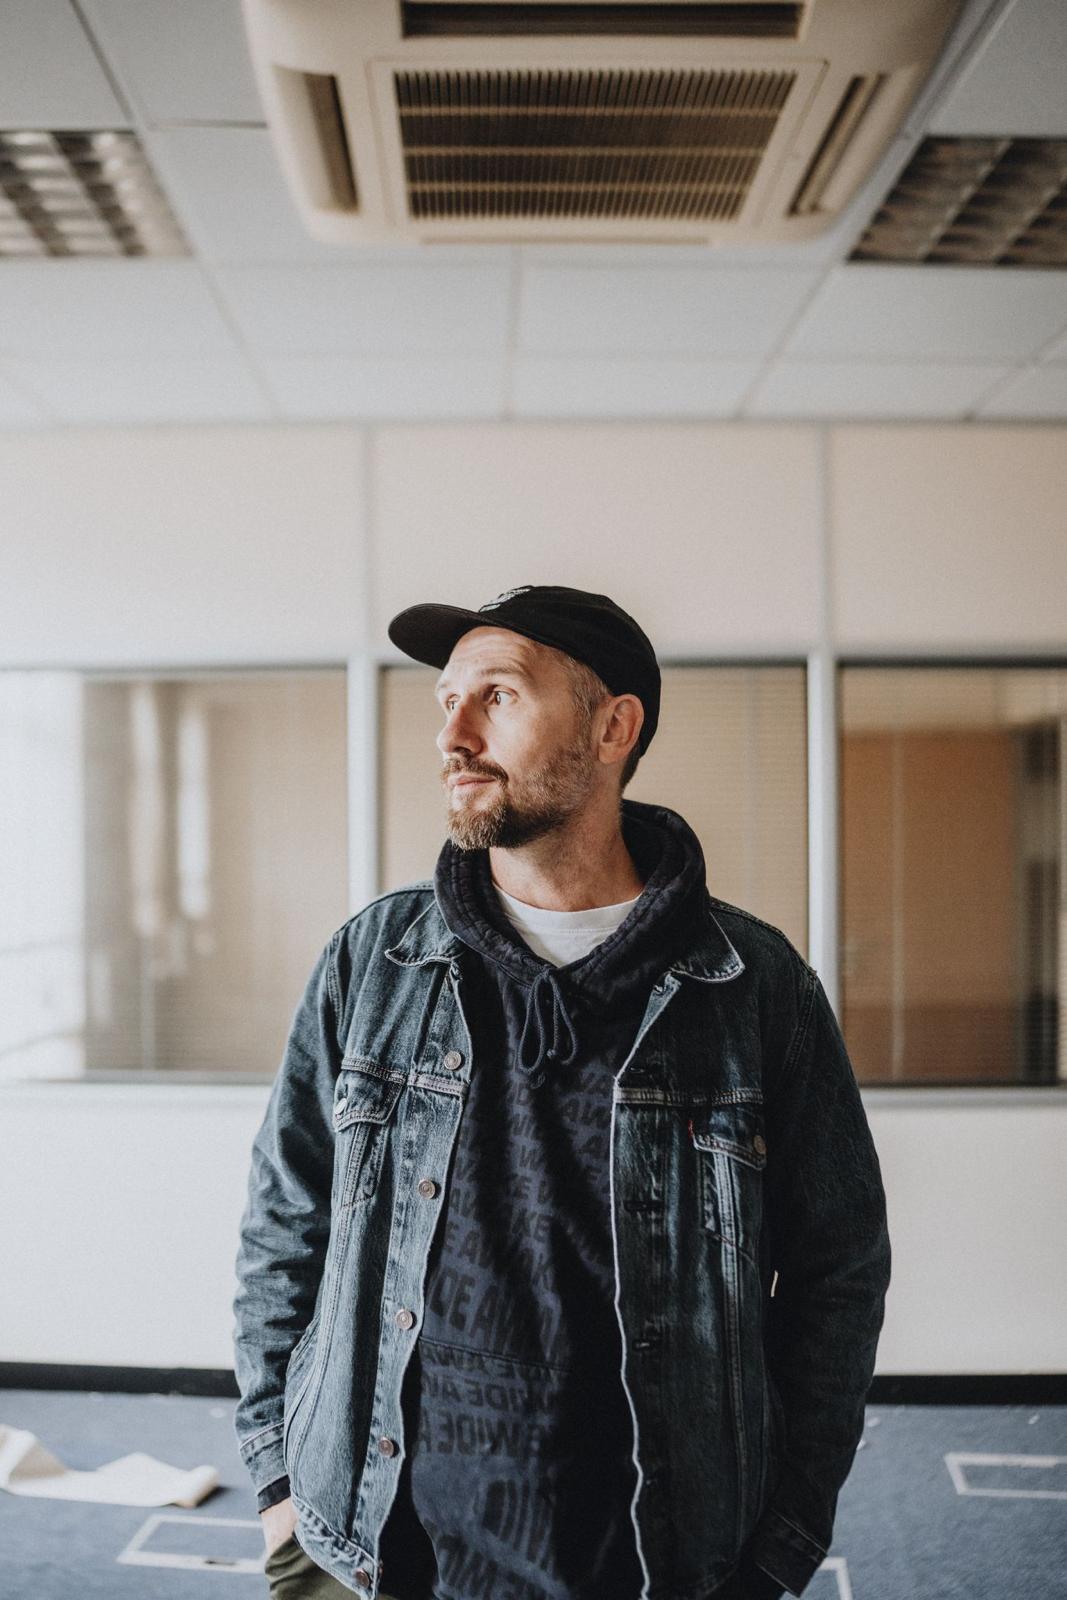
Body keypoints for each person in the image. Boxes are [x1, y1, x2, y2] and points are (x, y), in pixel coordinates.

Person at [233, 584, 892, 1600]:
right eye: (446, 700)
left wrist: (780, 1543)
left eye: (496, 696)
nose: (452, 734)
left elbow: (835, 1272)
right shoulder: (374, 962)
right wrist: (279, 1483)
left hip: (656, 1557)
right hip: (369, 1541)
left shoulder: (753, 987)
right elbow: (285, 1222)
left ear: (612, 728)